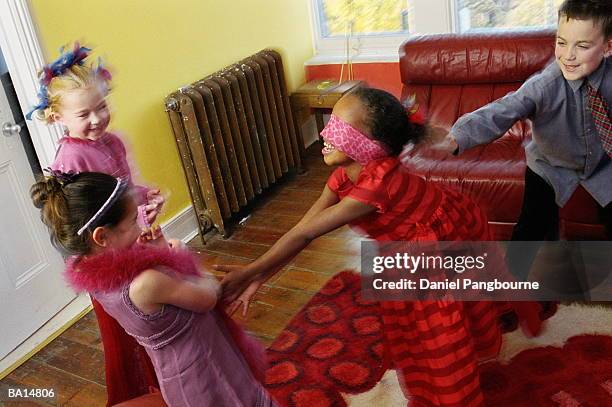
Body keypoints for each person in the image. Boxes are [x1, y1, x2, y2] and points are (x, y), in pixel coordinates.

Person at [216, 87, 551, 407]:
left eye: (338, 127)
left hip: (448, 229)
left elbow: (304, 235)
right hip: (411, 244)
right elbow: (303, 230)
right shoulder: (343, 177)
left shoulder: (374, 189)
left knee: (442, 329)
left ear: (369, 146)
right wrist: (260, 275)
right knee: (420, 323)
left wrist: (250, 270)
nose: (323, 133)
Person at [30, 172, 274, 407]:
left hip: (179, 376)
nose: (139, 228)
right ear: (102, 236)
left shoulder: (93, 276)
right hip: (206, 372)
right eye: (132, 222)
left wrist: (157, 254)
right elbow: (208, 296)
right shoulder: (145, 284)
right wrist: (177, 253)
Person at [27, 43, 164, 405]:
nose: (97, 119)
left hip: (128, 241)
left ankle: (164, 384)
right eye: (84, 113)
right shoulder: (70, 158)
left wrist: (147, 198)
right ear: (58, 117)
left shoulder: (112, 141)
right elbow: (79, 220)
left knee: (150, 319)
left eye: (102, 107)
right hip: (103, 262)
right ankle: (133, 396)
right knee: (125, 333)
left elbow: (123, 189)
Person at [444, 0, 612, 243]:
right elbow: (503, 109)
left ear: (607, 48)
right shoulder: (545, 84)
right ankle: (511, 278)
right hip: (549, 164)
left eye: (582, 46)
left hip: (602, 164)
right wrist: (456, 137)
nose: (568, 56)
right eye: (561, 43)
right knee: (532, 227)